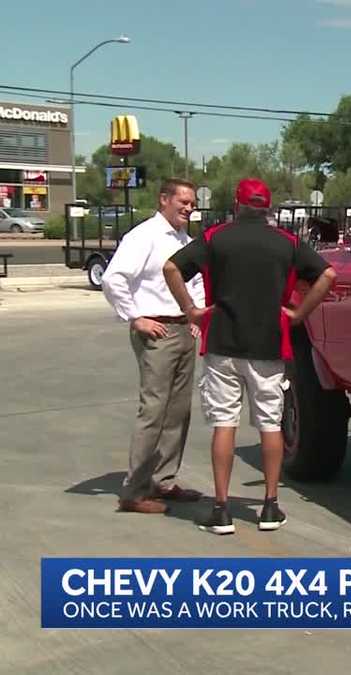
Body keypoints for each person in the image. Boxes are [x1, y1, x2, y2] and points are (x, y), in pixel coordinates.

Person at [164, 178, 336, 535]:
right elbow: (327, 274)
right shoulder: (287, 242)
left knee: (224, 423)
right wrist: (300, 313)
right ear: (267, 206)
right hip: (268, 344)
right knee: (270, 424)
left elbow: (171, 268)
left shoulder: (215, 237)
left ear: (237, 204)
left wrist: (191, 310)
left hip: (223, 343)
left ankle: (221, 510)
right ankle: (270, 506)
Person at [100, 178, 206, 514]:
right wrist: (135, 317)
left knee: (178, 410)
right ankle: (134, 491)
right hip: (156, 330)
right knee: (154, 410)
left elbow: (196, 282)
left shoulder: (185, 240)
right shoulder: (143, 236)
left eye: (192, 203)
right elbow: (113, 278)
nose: (189, 208)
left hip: (182, 328)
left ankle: (163, 480)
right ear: (164, 200)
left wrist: (195, 315)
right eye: (183, 202)